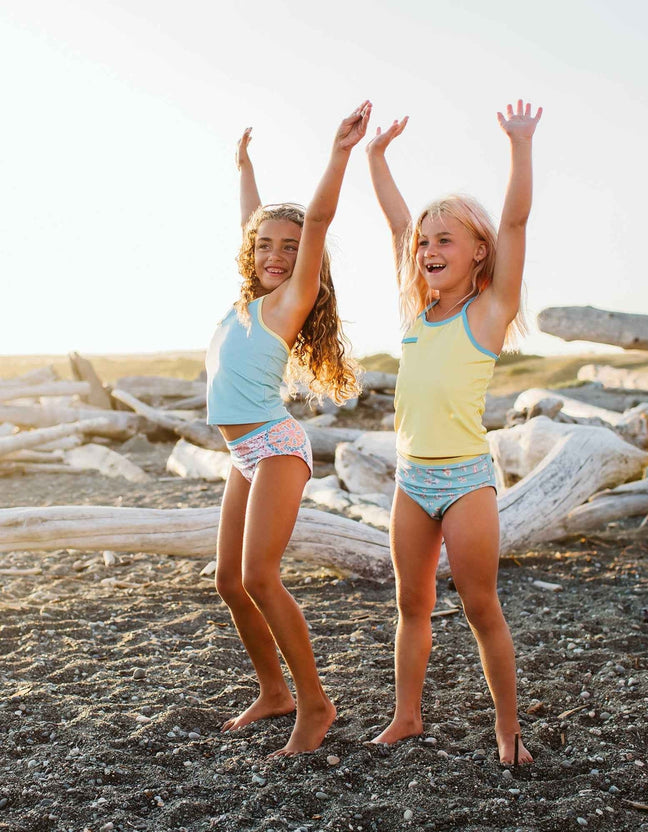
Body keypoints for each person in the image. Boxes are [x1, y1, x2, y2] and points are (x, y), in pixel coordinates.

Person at [365, 99, 542, 765]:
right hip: (411, 481)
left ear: (477, 254)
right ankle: (406, 716)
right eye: (425, 242)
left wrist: (519, 145)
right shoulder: (416, 309)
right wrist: (376, 157)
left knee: (481, 609)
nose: (429, 249)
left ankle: (507, 732)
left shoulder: (489, 311)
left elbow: (517, 220)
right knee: (411, 605)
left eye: (446, 240)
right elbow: (394, 223)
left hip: (467, 480)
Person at [205, 102, 370, 757]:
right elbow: (253, 220)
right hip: (242, 453)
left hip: (276, 446)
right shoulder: (243, 302)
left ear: (303, 262)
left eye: (290, 249)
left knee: (261, 576)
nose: (276, 254)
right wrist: (243, 165)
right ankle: (273, 692)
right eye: (266, 245)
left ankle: (315, 703)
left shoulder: (287, 302)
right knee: (228, 580)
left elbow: (319, 218)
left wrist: (339, 152)